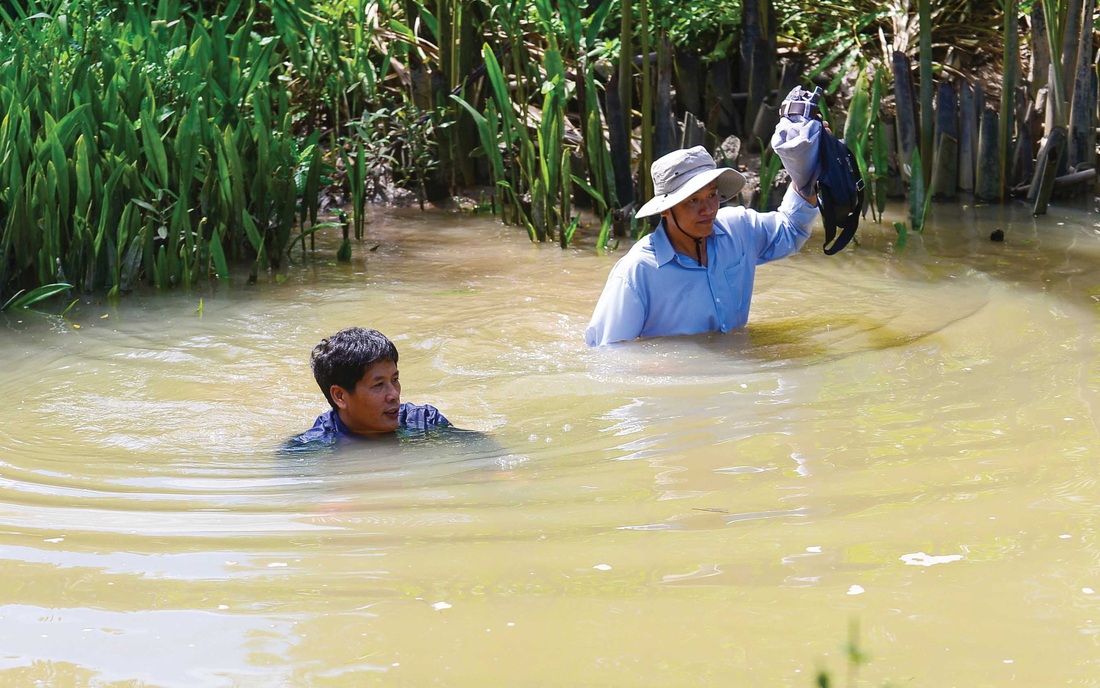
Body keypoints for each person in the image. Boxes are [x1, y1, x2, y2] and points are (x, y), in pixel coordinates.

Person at [584, 97, 824, 346]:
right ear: (665, 210)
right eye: (693, 200)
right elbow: (607, 353)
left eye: (711, 195)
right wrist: (658, 364)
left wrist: (804, 171)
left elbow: (791, 229)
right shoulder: (638, 271)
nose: (708, 209)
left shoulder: (739, 228)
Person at [286, 327, 450, 448]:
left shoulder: (425, 422)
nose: (394, 394)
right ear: (340, 396)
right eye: (378, 385)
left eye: (395, 379)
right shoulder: (312, 446)